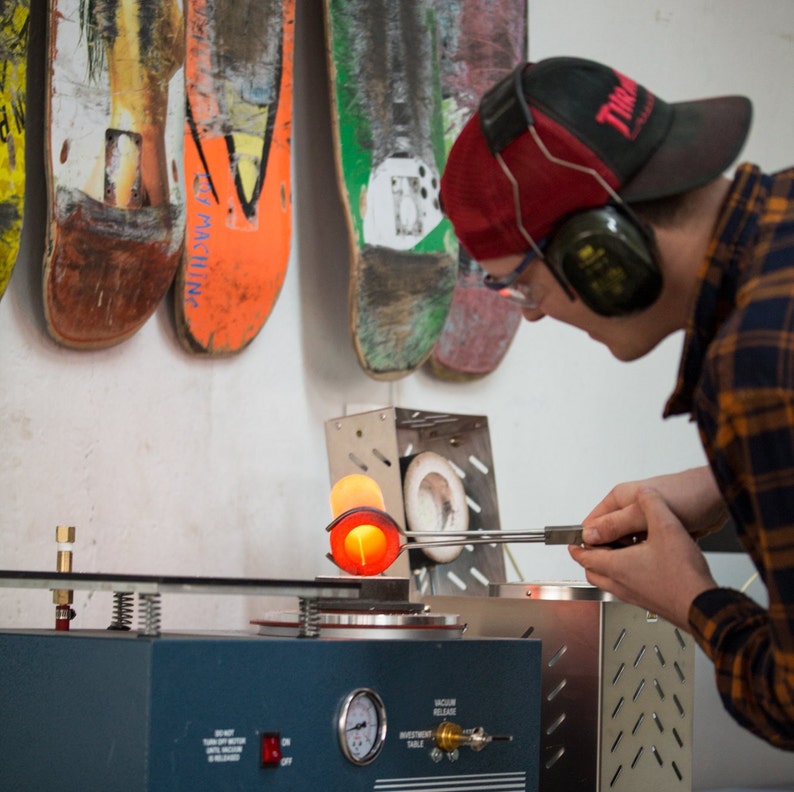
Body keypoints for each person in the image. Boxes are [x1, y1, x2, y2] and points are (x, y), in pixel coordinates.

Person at [440, 56, 794, 750]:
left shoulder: (753, 366)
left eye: (525, 288)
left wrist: (688, 598)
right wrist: (727, 484)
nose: (535, 317)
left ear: (601, 252)